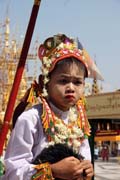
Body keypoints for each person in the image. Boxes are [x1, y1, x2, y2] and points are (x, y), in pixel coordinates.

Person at [2, 33, 103, 180]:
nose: (71, 88)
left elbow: (85, 156)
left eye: (77, 82)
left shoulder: (80, 121)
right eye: (63, 81)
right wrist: (52, 171)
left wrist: (86, 168)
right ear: (45, 82)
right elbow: (13, 171)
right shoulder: (31, 119)